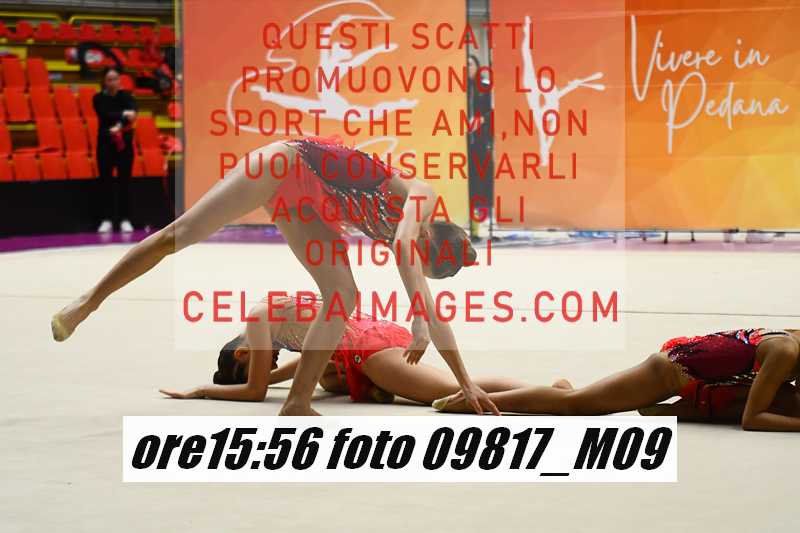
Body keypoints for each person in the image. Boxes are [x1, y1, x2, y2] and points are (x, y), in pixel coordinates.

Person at [51, 136, 499, 416]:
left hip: (310, 201)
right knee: (180, 233)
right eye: (423, 260)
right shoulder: (422, 196)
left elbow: (428, 303)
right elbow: (404, 251)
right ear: (431, 235)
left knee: (342, 294)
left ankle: (297, 401)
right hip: (285, 162)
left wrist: (465, 382)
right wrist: (417, 320)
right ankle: (89, 301)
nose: (415, 265)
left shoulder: (412, 238)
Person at [159, 293, 527, 405]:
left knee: (452, 392)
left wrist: (203, 390)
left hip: (368, 348)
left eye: (262, 364)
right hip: (368, 339)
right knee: (328, 379)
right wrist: (266, 378)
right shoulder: (273, 313)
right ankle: (376, 387)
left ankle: (542, 393)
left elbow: (255, 390)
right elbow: (309, 362)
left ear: (243, 354)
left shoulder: (258, 321)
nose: (272, 363)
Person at [434, 328, 800, 431]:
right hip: (668, 373)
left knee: (576, 396)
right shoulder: (785, 351)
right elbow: (753, 419)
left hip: (690, 370)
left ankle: (561, 388)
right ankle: (473, 402)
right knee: (573, 407)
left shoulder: (792, 339)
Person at [93, 67, 137, 233]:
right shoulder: (98, 98)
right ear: (104, 81)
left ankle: (125, 219)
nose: (113, 82)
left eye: (116, 78)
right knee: (106, 182)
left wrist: (120, 124)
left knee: (125, 181)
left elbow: (133, 114)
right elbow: (105, 115)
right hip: (105, 144)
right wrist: (124, 114)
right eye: (110, 79)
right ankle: (107, 219)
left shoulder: (127, 96)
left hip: (124, 144)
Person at [466, 54, 494, 240]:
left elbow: (493, 111)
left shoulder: (484, 86)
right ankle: (472, 225)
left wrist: (481, 120)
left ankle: (484, 220)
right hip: (463, 141)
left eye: (470, 64)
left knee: (482, 177)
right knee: (469, 180)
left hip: (481, 139)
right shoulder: (458, 88)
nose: (468, 67)